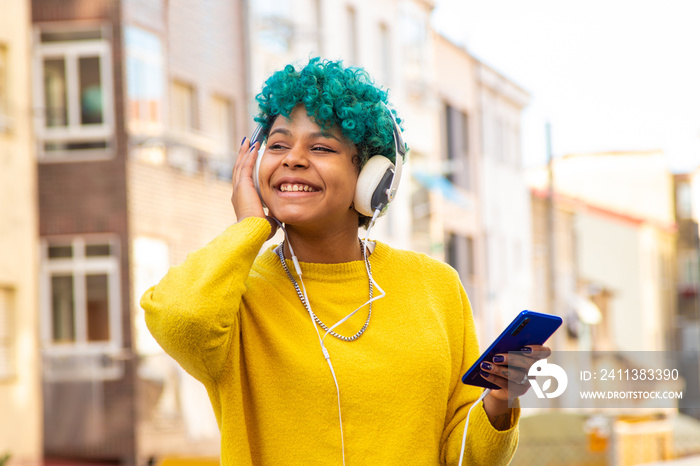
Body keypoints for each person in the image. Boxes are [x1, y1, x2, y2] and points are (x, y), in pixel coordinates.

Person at [142, 57, 550, 465]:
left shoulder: (435, 287)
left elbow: (465, 457)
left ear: (374, 179)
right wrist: (250, 228)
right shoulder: (234, 296)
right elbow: (179, 320)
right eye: (279, 144)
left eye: (320, 147)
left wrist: (498, 402)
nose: (293, 159)